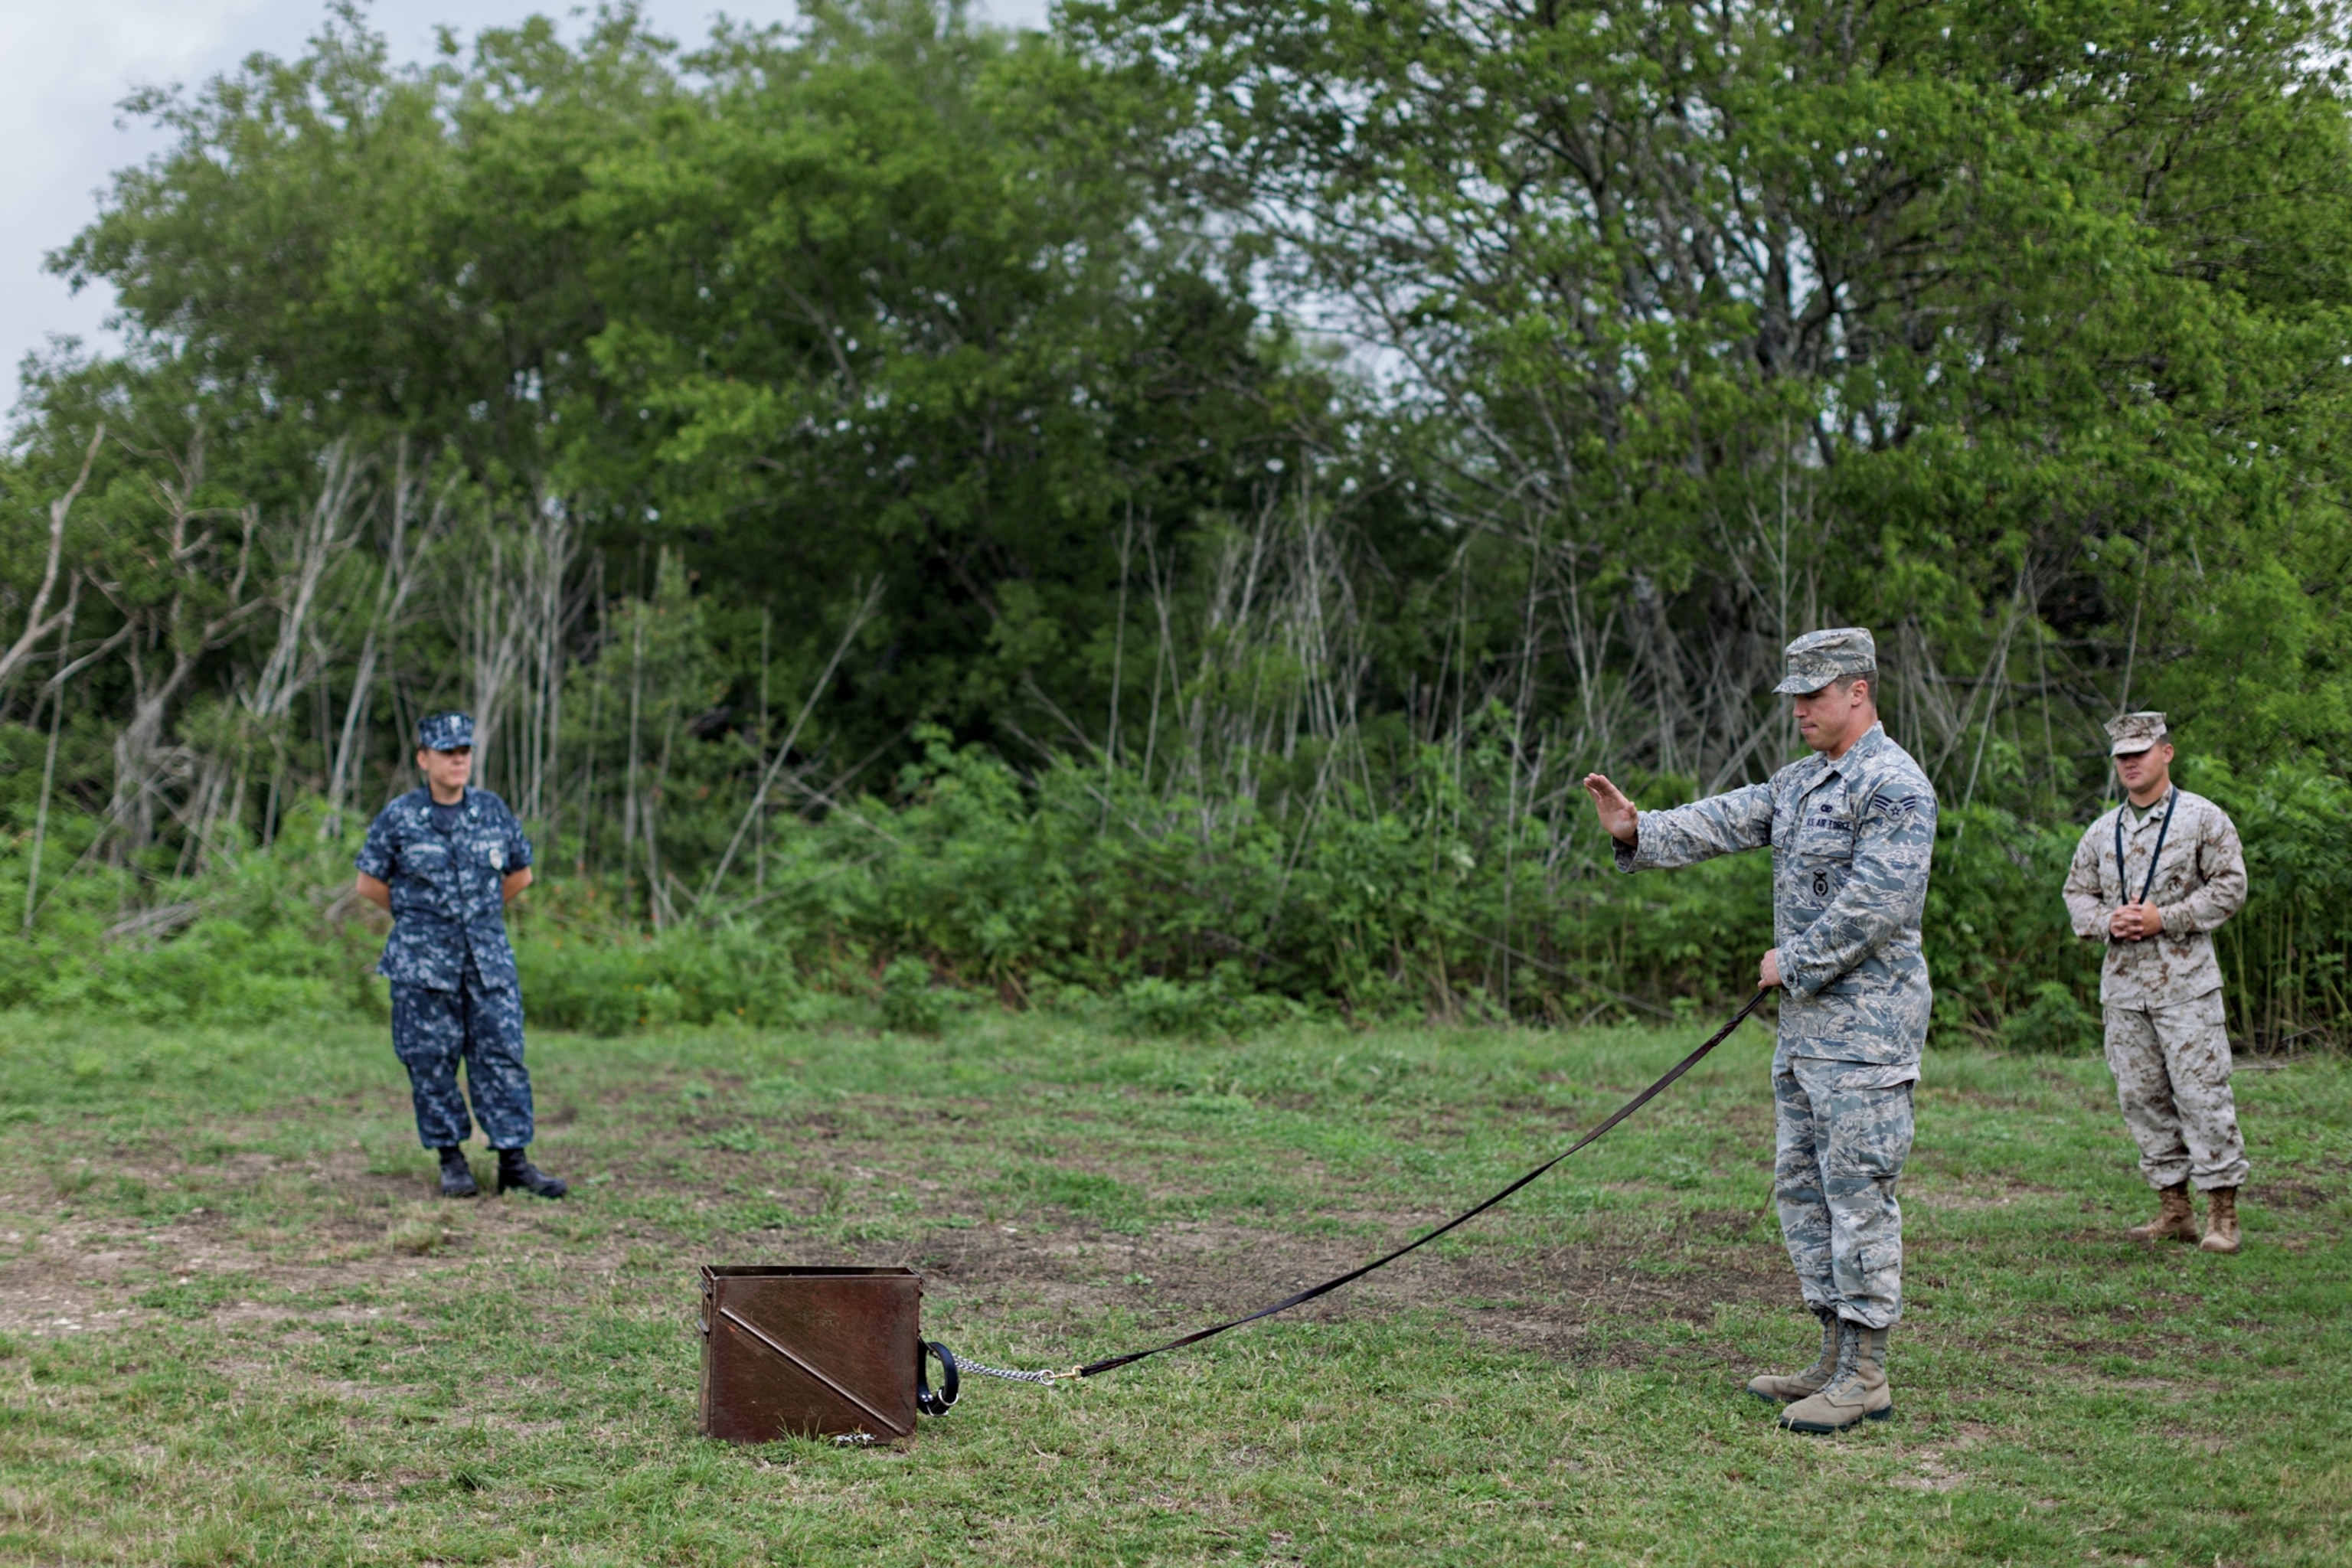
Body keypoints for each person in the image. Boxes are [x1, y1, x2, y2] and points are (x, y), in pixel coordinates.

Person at [1582, 628, 1936, 1433]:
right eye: (1795, 696)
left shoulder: (1895, 786)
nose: (1801, 709)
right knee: (1806, 1193)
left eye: (1815, 694)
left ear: (1859, 691)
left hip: (1866, 1033)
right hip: (1807, 1033)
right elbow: (1729, 817)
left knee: (1859, 1194)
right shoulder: (1804, 781)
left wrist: (1795, 960)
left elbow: (1879, 905)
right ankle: (1833, 1354)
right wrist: (1639, 829)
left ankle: (1868, 1371)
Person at [354, 711, 567, 1200]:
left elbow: (520, 876)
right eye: (447, 752)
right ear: (424, 758)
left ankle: (514, 1161)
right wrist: (420, 921)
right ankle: (451, 1160)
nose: (458, 760)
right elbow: (369, 884)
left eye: (464, 751)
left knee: (502, 1057)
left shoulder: (491, 811)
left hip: (487, 962)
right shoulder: (400, 817)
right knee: (430, 1060)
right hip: (423, 966)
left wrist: (476, 919)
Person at [2061, 712, 2249, 1253]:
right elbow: (2078, 892)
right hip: (2123, 990)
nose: (2131, 763)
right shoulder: (2103, 830)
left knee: (2202, 1094)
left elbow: (2231, 887)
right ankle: (2174, 1209)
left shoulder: (2202, 819)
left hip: (2185, 986)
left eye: (2140, 752)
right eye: (2122, 756)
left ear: (2166, 753)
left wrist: (2164, 918)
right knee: (2141, 1097)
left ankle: (2223, 1212)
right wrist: (2106, 922)